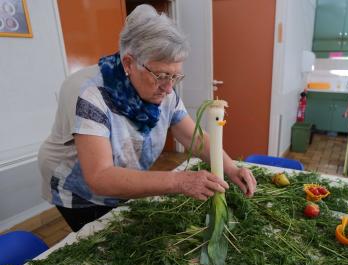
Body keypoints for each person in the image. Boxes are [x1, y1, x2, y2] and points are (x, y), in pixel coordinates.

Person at [38, 4, 257, 232]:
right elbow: (100, 177)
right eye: (161, 75)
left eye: (175, 76)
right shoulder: (89, 92)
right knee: (101, 241)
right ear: (129, 63)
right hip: (81, 189)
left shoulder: (165, 90)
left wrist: (231, 168)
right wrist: (179, 181)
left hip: (119, 178)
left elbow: (195, 138)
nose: (169, 88)